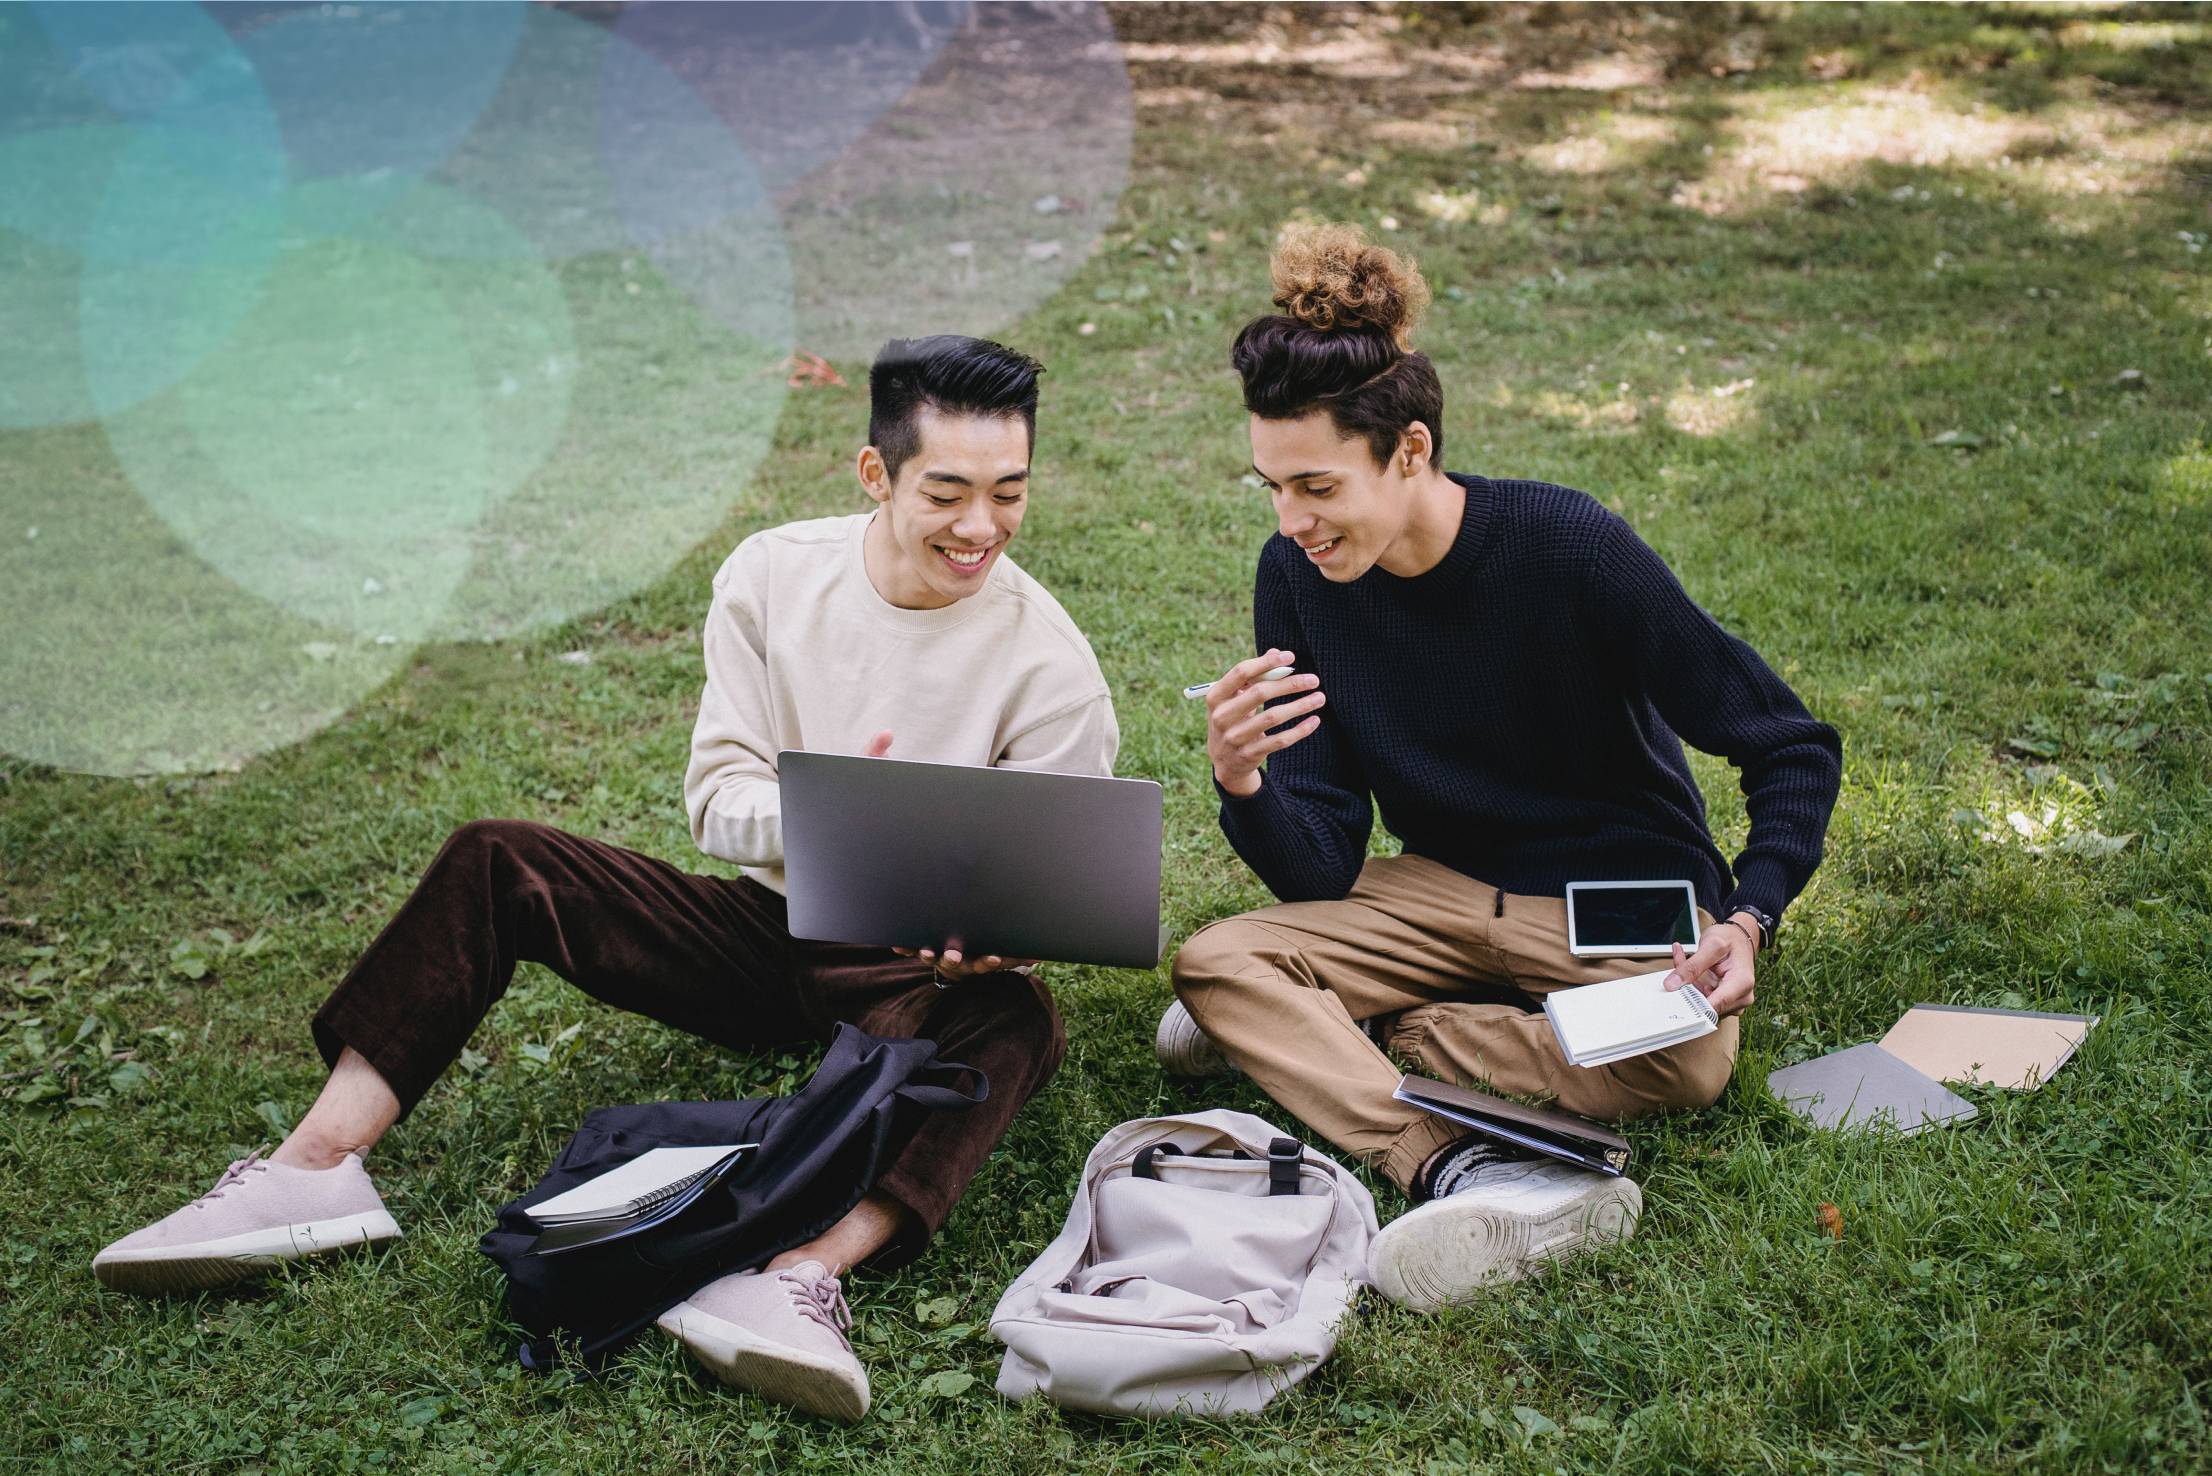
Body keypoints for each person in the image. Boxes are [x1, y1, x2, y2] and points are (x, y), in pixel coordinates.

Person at [94, 335, 1118, 1423]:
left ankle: (800, 1277)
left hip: (911, 968)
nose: (981, 528)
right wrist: (839, 824)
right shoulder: (774, 576)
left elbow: (1038, 891)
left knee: (1018, 1016)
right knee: (499, 856)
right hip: (765, 924)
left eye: (1008, 494)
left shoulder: (1050, 667)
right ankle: (315, 1168)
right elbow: (717, 799)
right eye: (948, 492)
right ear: (876, 475)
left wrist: (998, 934)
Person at [1162, 225, 1842, 1311]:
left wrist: (1749, 916)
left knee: (1691, 1064)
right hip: (1435, 889)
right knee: (1214, 964)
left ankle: (1386, 1028)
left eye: (1317, 488)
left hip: (1616, 900)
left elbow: (1786, 743)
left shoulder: (1566, 546)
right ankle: (1448, 1160)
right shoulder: (1293, 577)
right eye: (1271, 489)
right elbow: (1323, 861)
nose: (1292, 522)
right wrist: (1246, 784)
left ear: (1411, 451)